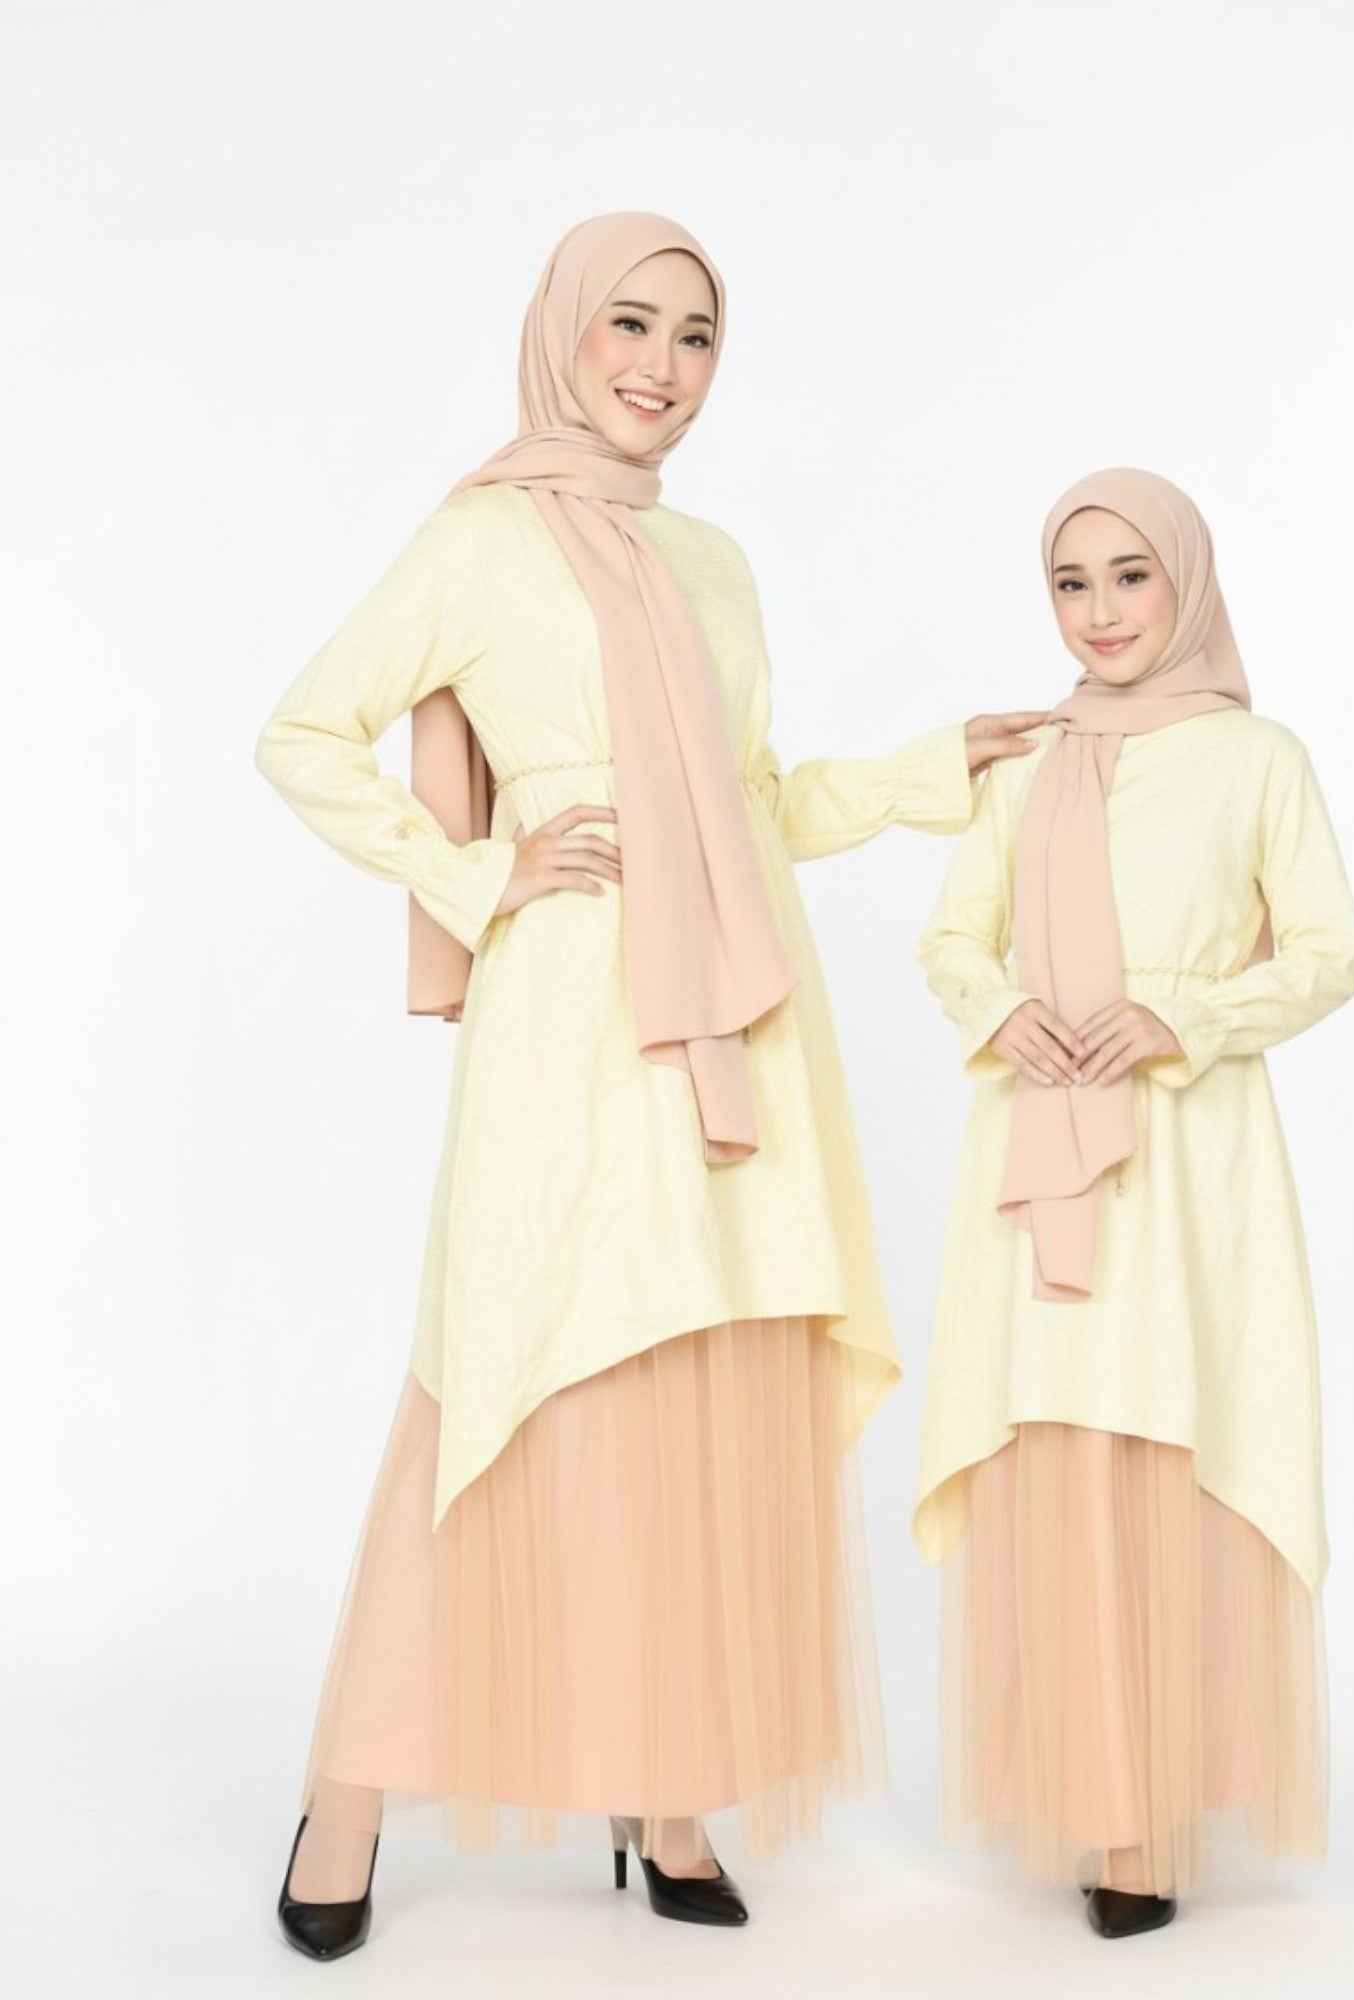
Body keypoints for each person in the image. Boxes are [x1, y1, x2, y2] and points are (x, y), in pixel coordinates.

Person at [254, 210, 1047, 1957]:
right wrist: (482, 874)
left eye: (697, 338)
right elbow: (301, 732)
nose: (662, 368)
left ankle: (663, 1787)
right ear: (563, 330)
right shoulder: (479, 540)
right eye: (630, 323)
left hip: (740, 1031)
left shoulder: (715, 564)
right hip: (574, 1020)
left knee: (695, 1395)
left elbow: (752, 803)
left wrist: (936, 768)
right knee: (502, 1382)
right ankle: (349, 1792)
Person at [911, 467, 1354, 1939]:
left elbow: (1329, 952)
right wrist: (1003, 1012)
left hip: (1185, 1153)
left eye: (1130, 576)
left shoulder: (1257, 758)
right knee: (1065, 1451)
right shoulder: (1029, 765)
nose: (1100, 613)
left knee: (1175, 1434)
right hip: (1039, 1141)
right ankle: (1096, 1797)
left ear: (1187, 583)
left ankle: (1157, 1812)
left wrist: (1185, 1017)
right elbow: (951, 939)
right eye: (1071, 583)